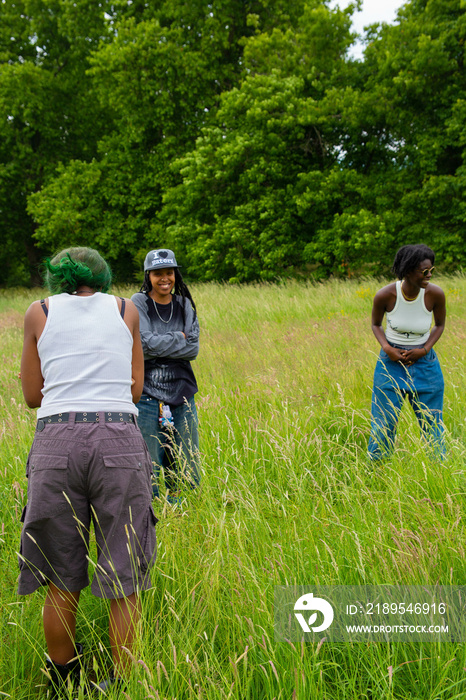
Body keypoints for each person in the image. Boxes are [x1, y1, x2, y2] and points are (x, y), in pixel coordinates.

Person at [19, 247, 157, 696]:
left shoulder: (37, 313)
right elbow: (135, 389)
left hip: (57, 440)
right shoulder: (126, 308)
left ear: (55, 277)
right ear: (102, 275)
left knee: (61, 573)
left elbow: (32, 395)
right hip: (118, 436)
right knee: (124, 572)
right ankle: (120, 684)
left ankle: (63, 681)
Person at [131, 249, 200, 503]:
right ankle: (153, 512)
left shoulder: (184, 305)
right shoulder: (139, 302)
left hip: (183, 392)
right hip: (147, 393)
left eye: (169, 272)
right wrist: (178, 338)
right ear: (148, 275)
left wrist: (160, 343)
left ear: (175, 274)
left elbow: (193, 349)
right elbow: (143, 345)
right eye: (158, 273)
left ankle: (183, 512)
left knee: (186, 458)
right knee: (149, 460)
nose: (164, 278)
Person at [367, 244, 446, 461]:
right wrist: (387, 349)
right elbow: (376, 324)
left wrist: (424, 349)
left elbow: (439, 325)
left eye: (431, 270)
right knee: (383, 424)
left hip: (425, 365)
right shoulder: (385, 295)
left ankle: (440, 472)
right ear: (408, 270)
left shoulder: (435, 294)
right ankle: (376, 473)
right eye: (424, 271)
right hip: (391, 364)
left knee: (432, 424)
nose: (429, 275)